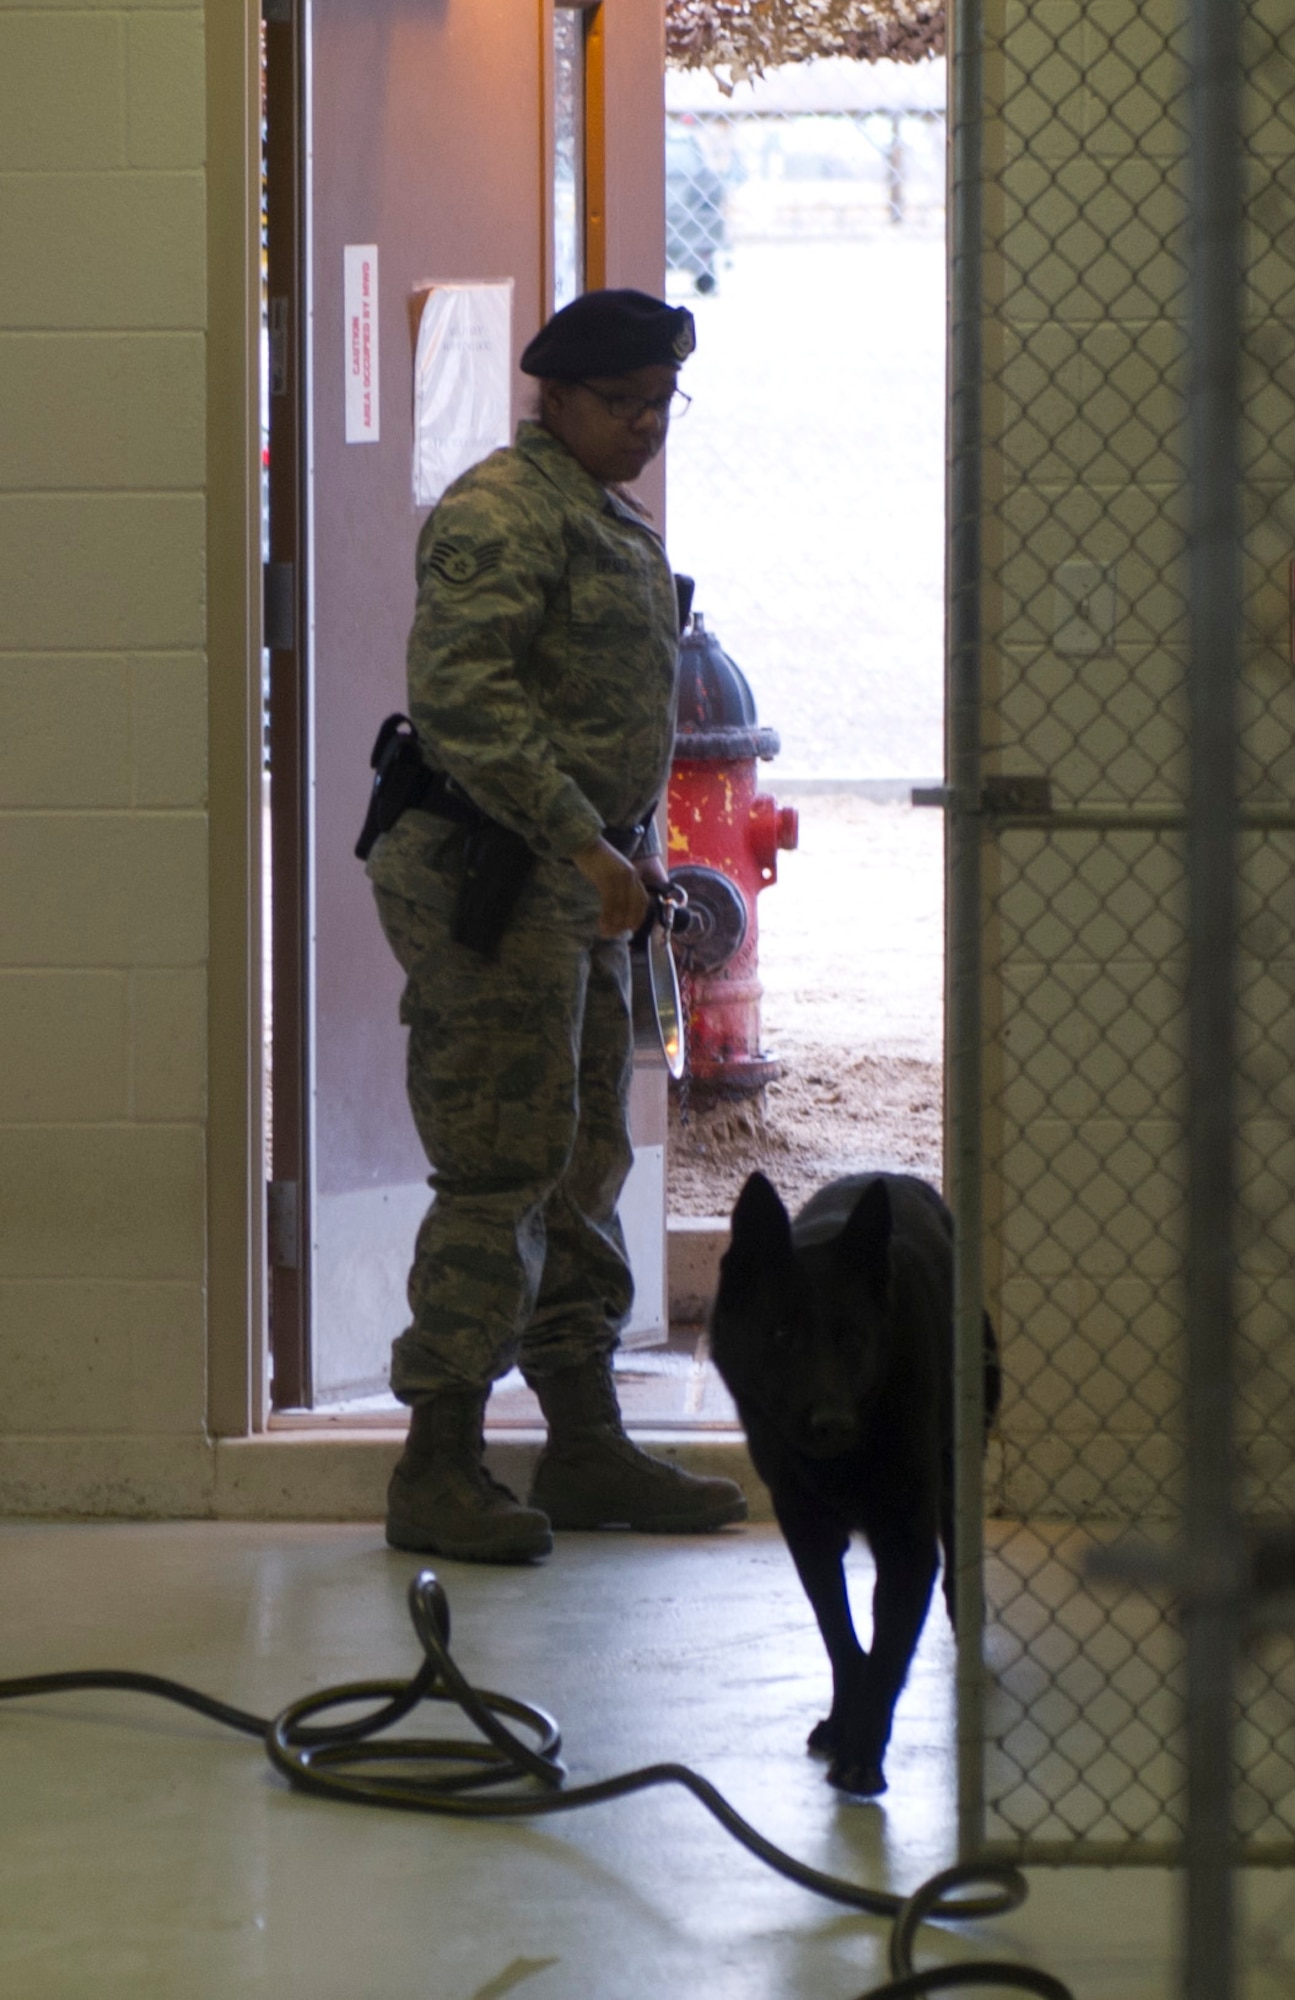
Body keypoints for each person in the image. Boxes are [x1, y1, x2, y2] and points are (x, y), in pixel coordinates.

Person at [364, 288, 747, 1563]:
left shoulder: (598, 513)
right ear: (559, 396)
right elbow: (461, 701)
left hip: (579, 881)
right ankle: (438, 1461)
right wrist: (583, 841)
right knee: (501, 1162)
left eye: (662, 403)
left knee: (585, 1158)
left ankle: (581, 1444)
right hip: (499, 876)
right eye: (626, 402)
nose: (649, 425)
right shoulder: (501, 510)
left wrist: (615, 850)